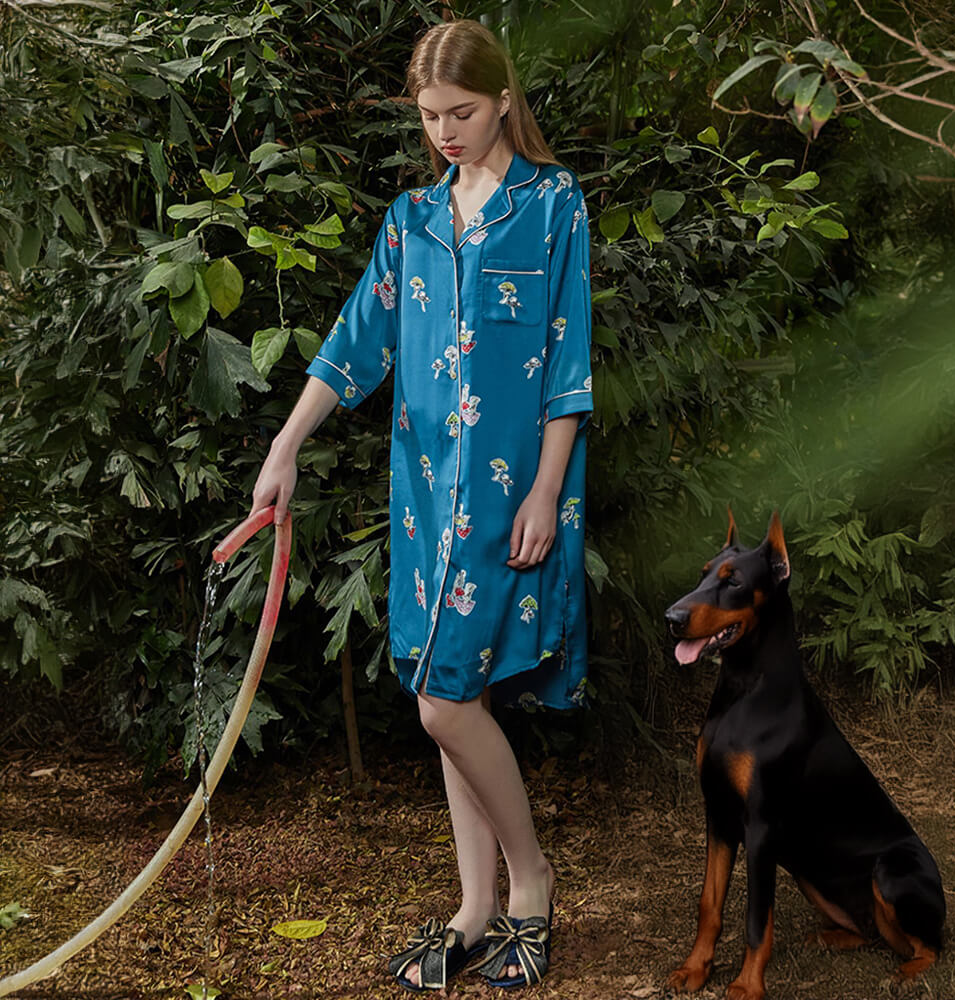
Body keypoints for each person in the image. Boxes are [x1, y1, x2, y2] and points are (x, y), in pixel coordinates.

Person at [250, 17, 592, 992]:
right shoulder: (412, 221)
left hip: (509, 502)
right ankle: (474, 907)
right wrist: (284, 448)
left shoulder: (552, 203)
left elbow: (568, 367)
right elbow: (357, 342)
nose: (446, 131)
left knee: (444, 700)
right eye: (431, 116)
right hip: (424, 501)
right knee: (452, 695)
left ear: (503, 101)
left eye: (463, 113)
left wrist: (541, 489)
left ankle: (530, 884)